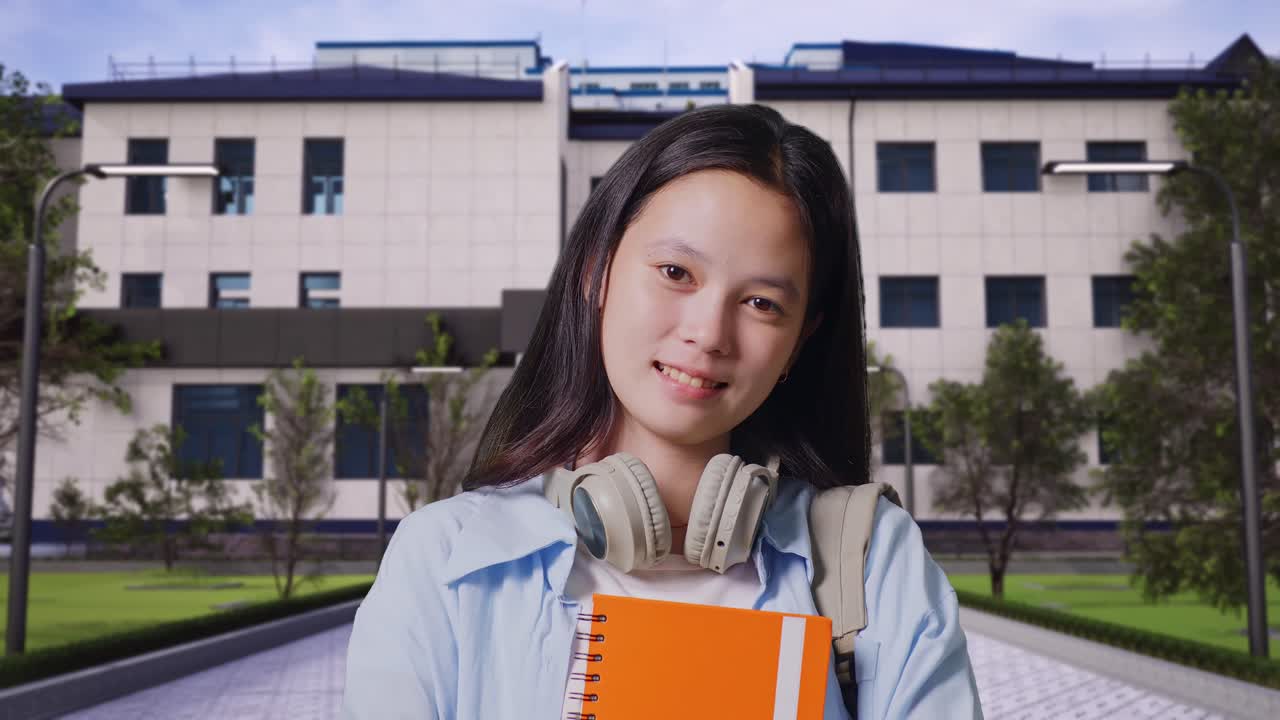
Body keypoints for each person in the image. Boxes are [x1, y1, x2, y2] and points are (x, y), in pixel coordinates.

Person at [342, 103, 983, 719]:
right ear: (597, 271)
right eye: (676, 271)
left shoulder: (870, 560)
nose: (708, 334)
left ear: (799, 341)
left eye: (761, 303)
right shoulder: (443, 559)